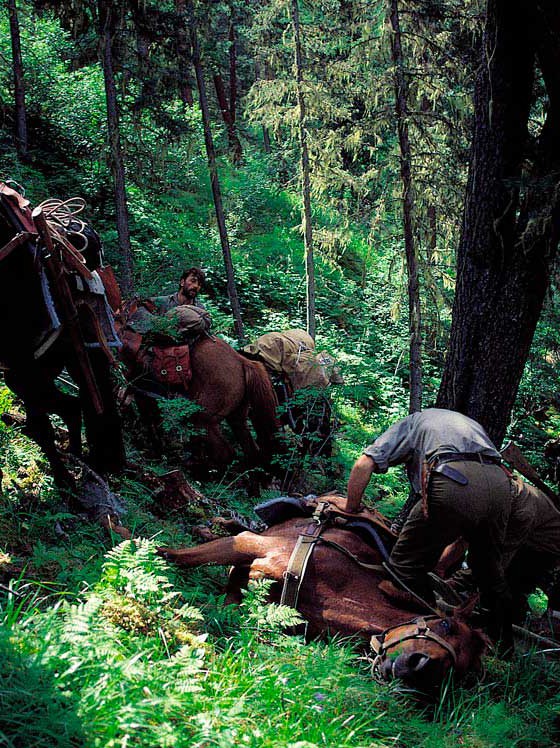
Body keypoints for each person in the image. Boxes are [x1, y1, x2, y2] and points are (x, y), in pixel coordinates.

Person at [342, 408, 521, 653]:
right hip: (501, 484)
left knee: (402, 570)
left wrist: (351, 509)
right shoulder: (463, 422)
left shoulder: (413, 422)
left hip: (454, 478)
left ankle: (413, 635)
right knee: (488, 569)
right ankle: (503, 647)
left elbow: (365, 463)